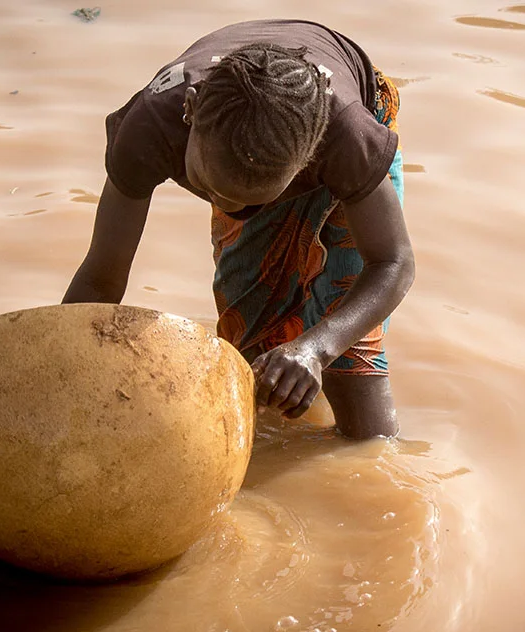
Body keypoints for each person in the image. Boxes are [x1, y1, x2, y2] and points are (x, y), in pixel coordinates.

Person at [62, 20, 414, 440]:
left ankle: (375, 475)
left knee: (349, 359)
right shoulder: (150, 128)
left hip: (337, 155)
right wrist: (62, 378)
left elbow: (393, 262)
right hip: (262, 150)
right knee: (254, 358)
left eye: (249, 200)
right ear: (190, 111)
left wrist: (316, 349)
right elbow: (102, 279)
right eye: (208, 187)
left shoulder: (348, 138)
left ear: (308, 159)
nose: (226, 207)